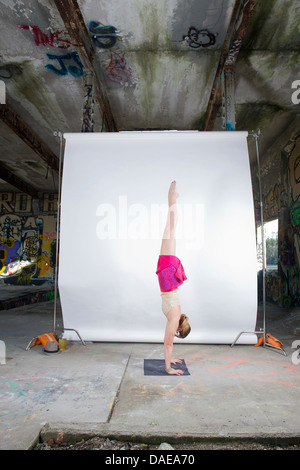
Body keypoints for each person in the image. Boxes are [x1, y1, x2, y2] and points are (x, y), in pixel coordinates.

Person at [156, 181, 191, 375]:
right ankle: (171, 197)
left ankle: (172, 198)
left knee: (171, 228)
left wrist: (172, 359)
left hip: (168, 277)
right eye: (178, 334)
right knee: (171, 228)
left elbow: (170, 341)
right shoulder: (174, 318)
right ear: (179, 329)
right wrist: (168, 368)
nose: (174, 335)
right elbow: (168, 344)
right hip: (167, 276)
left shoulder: (176, 315)